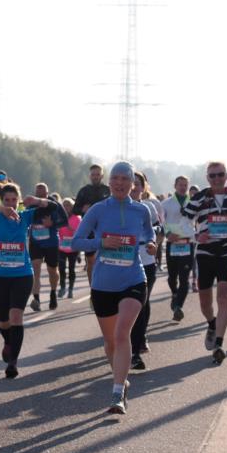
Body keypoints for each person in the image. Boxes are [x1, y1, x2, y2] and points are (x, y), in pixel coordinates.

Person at [71, 162, 156, 414]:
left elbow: (150, 234)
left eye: (125, 179)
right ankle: (121, 378)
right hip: (103, 284)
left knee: (121, 334)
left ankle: (117, 393)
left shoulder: (141, 211)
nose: (119, 183)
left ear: (133, 184)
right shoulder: (98, 210)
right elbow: (76, 242)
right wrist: (102, 242)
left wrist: (151, 245)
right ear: (110, 183)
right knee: (110, 341)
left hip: (133, 279)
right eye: (115, 178)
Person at [0, 180, 63, 377]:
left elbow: (56, 208)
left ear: (20, 201)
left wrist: (38, 200)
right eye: (7, 200)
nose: (11, 203)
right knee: (4, 321)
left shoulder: (26, 216)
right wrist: (0, 210)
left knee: (16, 317)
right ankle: (7, 341)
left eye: (14, 200)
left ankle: (12, 363)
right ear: (1, 201)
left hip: (22, 275)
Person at [182, 161, 227, 365]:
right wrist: (195, 236)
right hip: (205, 254)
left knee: (223, 298)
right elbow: (185, 221)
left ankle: (219, 345)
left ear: (226, 176)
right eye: (212, 176)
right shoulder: (199, 198)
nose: (216, 179)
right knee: (205, 303)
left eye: (220, 175)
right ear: (207, 178)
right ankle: (211, 324)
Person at [129, 172, 163, 370]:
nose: (133, 187)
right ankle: (127, 341)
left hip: (146, 262)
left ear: (143, 187)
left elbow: (160, 230)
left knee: (141, 303)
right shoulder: (114, 207)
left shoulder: (148, 207)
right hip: (121, 263)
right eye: (130, 183)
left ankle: (135, 348)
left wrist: (152, 241)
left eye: (137, 184)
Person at [160, 175, 196, 322]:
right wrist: (168, 233)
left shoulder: (193, 203)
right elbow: (161, 221)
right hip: (172, 244)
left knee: (185, 278)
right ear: (175, 186)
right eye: (180, 184)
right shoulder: (166, 203)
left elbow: (199, 220)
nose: (183, 187)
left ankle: (178, 307)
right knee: (172, 277)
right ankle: (174, 294)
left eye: (185, 185)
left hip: (188, 243)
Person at [28, 182, 67, 311]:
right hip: (35, 242)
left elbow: (64, 221)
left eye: (43, 194)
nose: (40, 196)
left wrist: (53, 223)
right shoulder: (31, 204)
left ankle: (53, 293)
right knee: (36, 270)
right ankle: (36, 299)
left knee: (52, 271)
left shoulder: (54, 204)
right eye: (37, 194)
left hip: (51, 243)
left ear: (47, 193)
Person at [72, 164, 111, 285]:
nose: (95, 177)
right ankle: (93, 288)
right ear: (90, 176)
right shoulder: (84, 191)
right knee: (91, 261)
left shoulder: (108, 190)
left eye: (98, 174)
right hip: (89, 229)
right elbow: (75, 209)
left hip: (106, 229)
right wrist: (82, 209)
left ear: (102, 175)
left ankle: (106, 285)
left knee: (107, 260)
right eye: (93, 175)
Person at [57, 197, 82, 298]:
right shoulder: (59, 217)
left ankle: (71, 289)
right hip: (61, 247)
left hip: (73, 248)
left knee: (71, 269)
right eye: (65, 205)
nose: (66, 207)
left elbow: (80, 233)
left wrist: (71, 229)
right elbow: (56, 231)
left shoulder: (77, 218)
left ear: (72, 207)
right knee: (61, 269)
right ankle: (63, 287)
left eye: (69, 205)